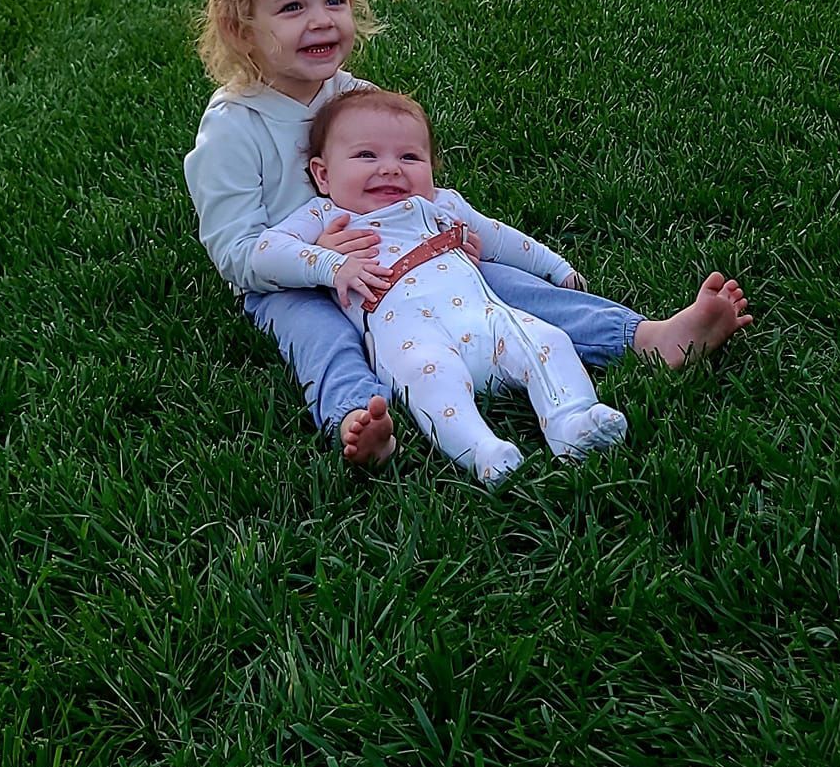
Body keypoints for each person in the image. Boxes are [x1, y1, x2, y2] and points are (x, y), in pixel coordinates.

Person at [183, 0, 752, 470]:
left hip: (395, 253)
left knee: (508, 286)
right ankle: (359, 423)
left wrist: (439, 234)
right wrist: (317, 262)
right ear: (241, 29)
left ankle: (646, 337)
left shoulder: (350, 95)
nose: (322, 20)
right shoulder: (235, 128)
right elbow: (234, 251)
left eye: (335, 0)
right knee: (322, 341)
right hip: (290, 282)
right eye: (292, 8)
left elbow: (401, 181)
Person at [253, 90, 628, 483]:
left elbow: (503, 239)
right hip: (412, 340)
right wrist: (329, 263)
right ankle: (482, 451)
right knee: (432, 381)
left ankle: (572, 423)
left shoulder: (442, 204)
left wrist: (557, 267)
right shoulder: (325, 215)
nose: (391, 169)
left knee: (547, 341)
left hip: (484, 320)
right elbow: (266, 251)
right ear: (323, 175)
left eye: (410, 157)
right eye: (367, 156)